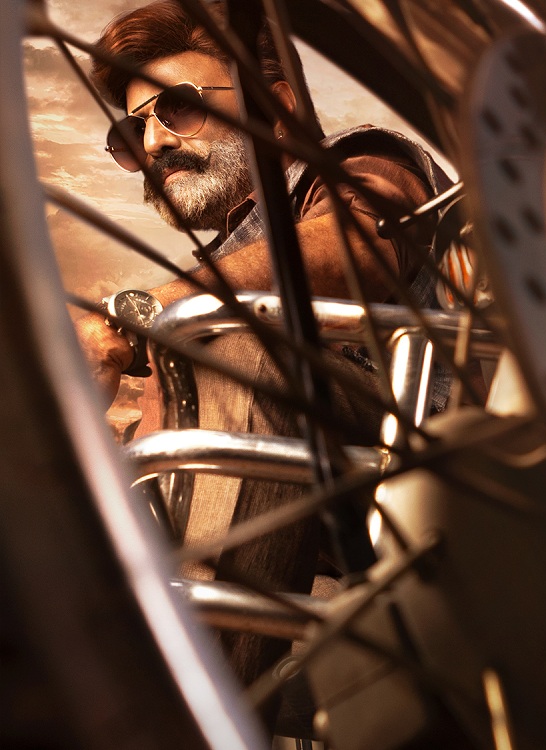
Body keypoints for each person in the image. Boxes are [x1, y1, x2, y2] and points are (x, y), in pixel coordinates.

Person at [72, 0, 450, 710]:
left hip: (430, 485)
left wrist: (137, 312)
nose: (152, 142)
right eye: (131, 131)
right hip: (314, 551)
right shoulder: (216, 272)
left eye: (178, 107)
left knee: (243, 352)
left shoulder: (359, 160)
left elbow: (353, 250)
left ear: (274, 107)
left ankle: (187, 713)